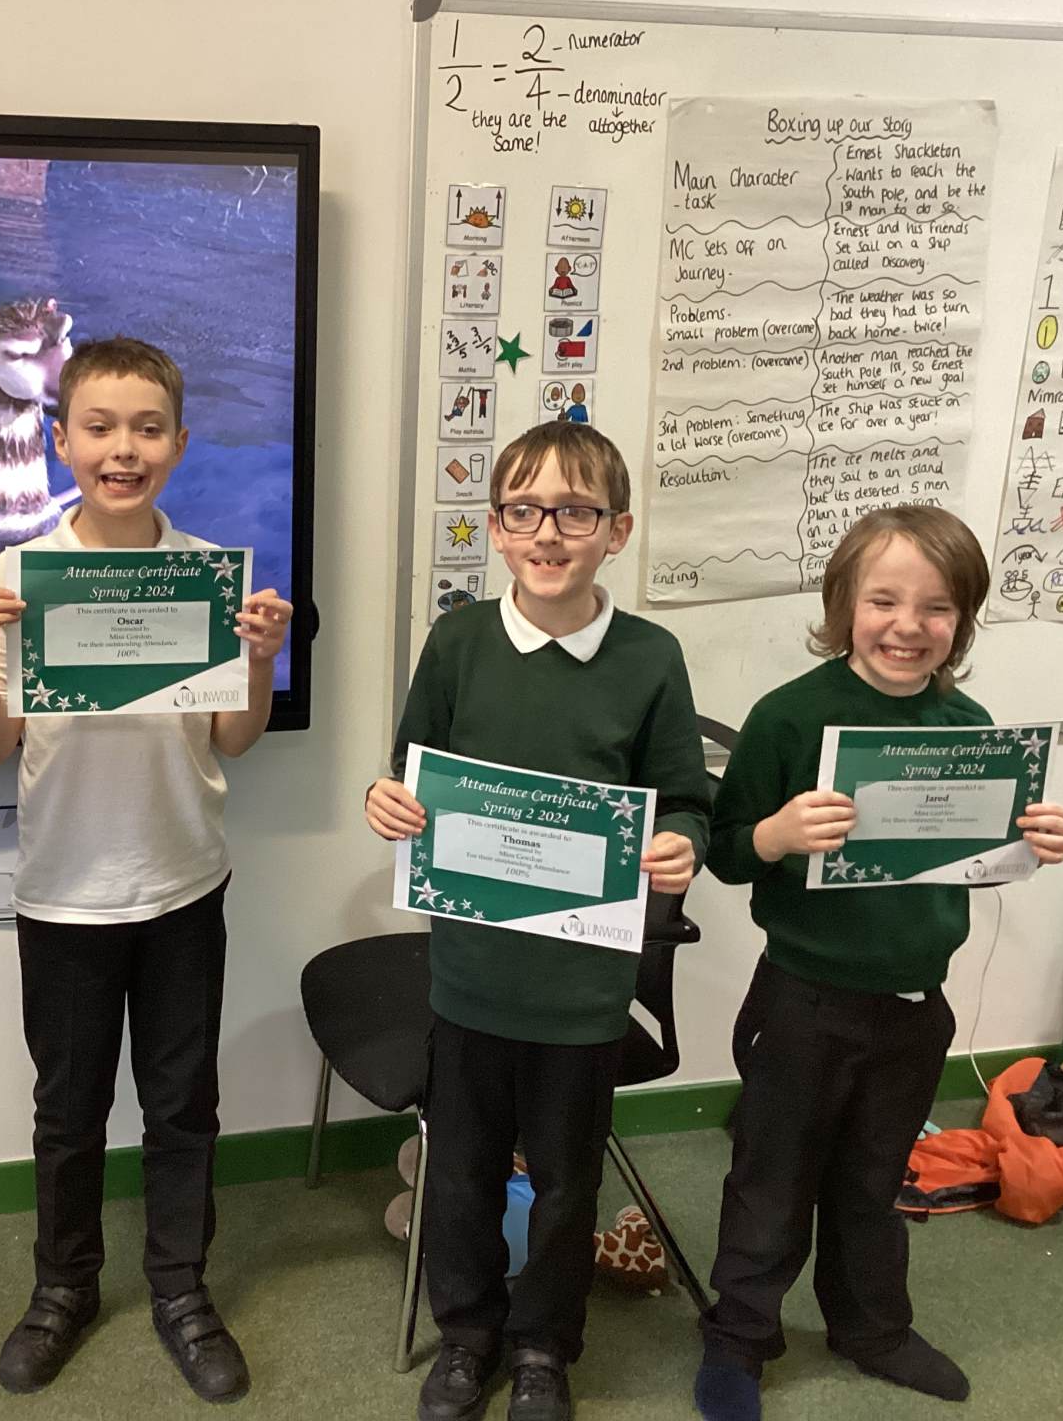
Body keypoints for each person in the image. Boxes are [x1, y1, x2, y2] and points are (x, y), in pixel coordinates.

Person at [0, 337, 292, 1405]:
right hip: (63, 894)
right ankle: (63, 1287)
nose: (123, 449)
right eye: (99, 427)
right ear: (61, 441)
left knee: (184, 1107)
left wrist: (261, 662)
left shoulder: (207, 576)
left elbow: (234, 738)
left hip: (183, 884)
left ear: (180, 444)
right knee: (68, 1112)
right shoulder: (16, 578)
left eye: (147, 428)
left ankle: (181, 1289)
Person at [691, 505, 1063, 1421]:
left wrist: (1032, 843)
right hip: (804, 1000)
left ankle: (872, 1330)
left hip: (914, 1007)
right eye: (884, 601)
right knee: (772, 1180)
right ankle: (738, 1339)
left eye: (937, 607)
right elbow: (727, 852)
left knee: (875, 1179)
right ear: (844, 605)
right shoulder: (790, 716)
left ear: (963, 620)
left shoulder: (969, 724)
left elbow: (972, 860)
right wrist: (778, 833)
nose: (908, 626)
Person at [366, 420, 711, 1421]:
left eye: (575, 512)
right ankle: (467, 1334)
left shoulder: (651, 658)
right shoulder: (459, 642)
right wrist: (385, 800)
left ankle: (544, 1347)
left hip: (583, 988)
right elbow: (410, 773)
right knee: (461, 1173)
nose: (548, 532)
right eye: (524, 511)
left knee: (565, 1183)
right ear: (496, 527)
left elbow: (684, 800)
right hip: (472, 974)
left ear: (618, 530)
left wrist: (679, 841)